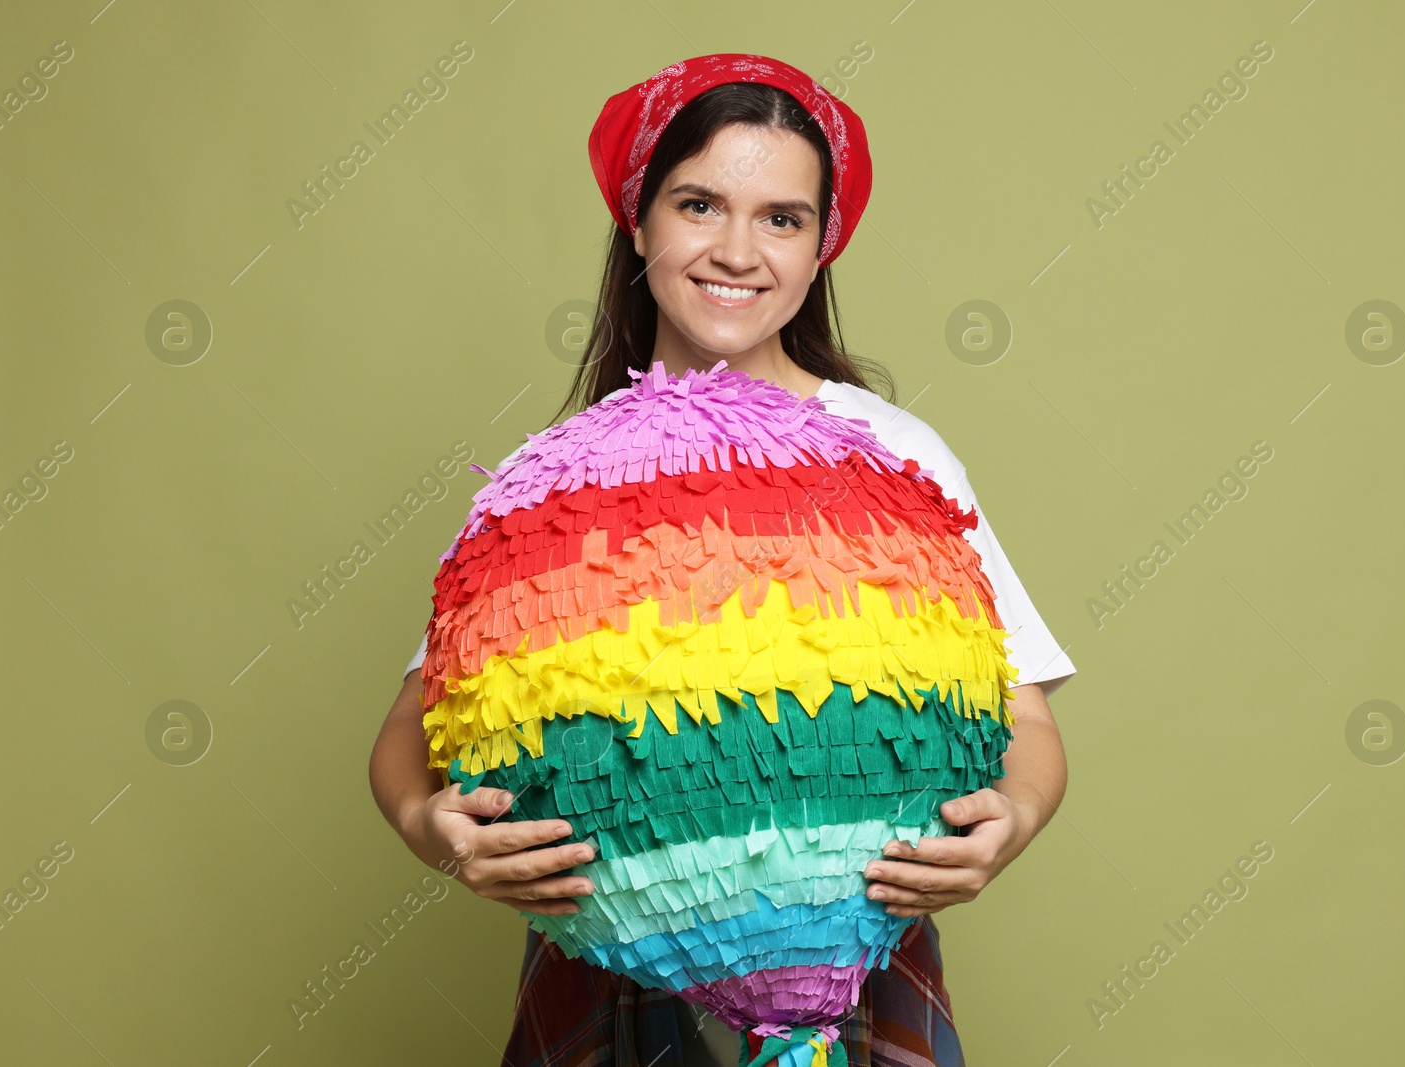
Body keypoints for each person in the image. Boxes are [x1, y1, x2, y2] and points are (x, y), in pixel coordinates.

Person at [369, 54, 1075, 1067]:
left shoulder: (893, 454)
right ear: (639, 220)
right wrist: (437, 827)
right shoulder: (553, 482)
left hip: (860, 957)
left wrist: (1009, 816)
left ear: (818, 247)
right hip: (603, 959)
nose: (738, 251)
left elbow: (1028, 717)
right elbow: (407, 726)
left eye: (782, 218)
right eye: (699, 203)